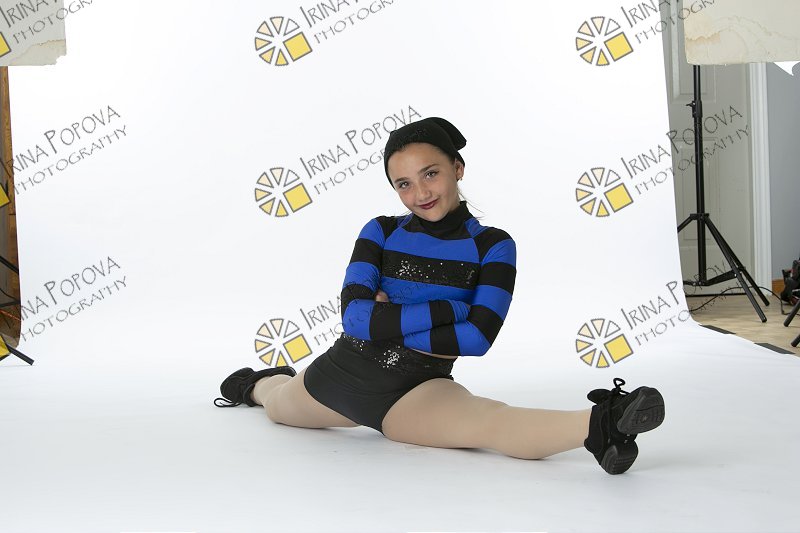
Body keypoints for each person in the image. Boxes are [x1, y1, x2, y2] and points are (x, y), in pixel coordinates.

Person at [213, 116, 665, 475]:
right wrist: (449, 308)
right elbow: (355, 321)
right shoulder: (380, 231)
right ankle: (257, 383)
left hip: (414, 391)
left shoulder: (493, 245)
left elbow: (477, 339)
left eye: (430, 174)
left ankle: (605, 422)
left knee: (491, 422)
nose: (420, 193)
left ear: (457, 168)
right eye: (404, 184)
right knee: (277, 406)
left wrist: (388, 319)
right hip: (337, 377)